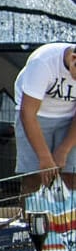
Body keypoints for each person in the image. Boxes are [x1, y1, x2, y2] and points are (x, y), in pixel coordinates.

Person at [13, 42, 76, 194]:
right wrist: (44, 157)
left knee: (72, 175)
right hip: (36, 117)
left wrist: (64, 149)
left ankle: (68, 217)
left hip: (70, 118)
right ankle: (30, 217)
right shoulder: (43, 62)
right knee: (34, 177)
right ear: (74, 58)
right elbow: (27, 113)